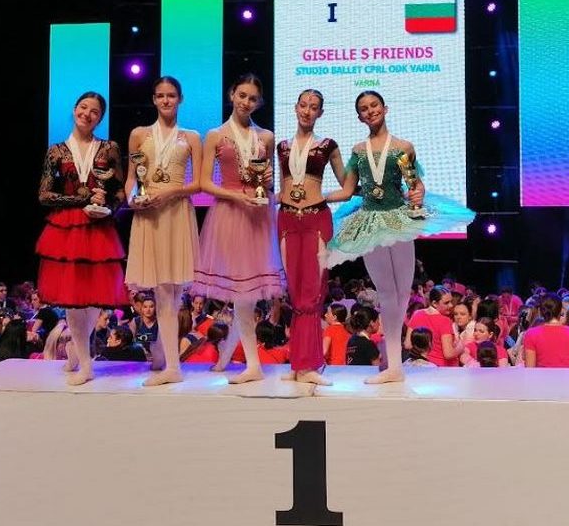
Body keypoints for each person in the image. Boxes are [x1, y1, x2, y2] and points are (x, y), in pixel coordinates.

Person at [325, 91, 473, 383]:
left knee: (403, 292)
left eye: (374, 105)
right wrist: (315, 198)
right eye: (364, 108)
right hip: (370, 222)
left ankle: (394, 363)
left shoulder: (404, 147)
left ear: (385, 108)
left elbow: (414, 184)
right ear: (359, 117)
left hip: (398, 220)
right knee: (386, 294)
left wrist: (418, 193)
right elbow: (348, 190)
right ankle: (393, 364)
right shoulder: (358, 151)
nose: (370, 111)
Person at [191, 74, 286, 384]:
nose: (246, 102)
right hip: (229, 215)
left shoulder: (266, 137)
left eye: (252, 98)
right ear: (232, 94)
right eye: (242, 95)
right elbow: (204, 182)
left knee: (246, 297)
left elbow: (268, 182)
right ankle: (249, 363)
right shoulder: (215, 135)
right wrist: (235, 196)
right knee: (240, 295)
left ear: (259, 102)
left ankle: (239, 362)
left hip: (257, 216)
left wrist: (267, 183)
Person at [35, 92, 127, 385]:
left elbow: (120, 191)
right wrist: (81, 199)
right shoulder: (56, 151)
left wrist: (108, 205)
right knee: (73, 300)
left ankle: (77, 351)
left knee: (96, 297)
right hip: (67, 229)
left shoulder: (109, 148)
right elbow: (44, 195)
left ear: (101, 118)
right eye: (84, 108)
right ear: (75, 109)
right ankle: (86, 365)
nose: (87, 114)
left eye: (95, 111)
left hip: (99, 227)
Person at [123, 76, 202, 386]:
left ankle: (171, 364)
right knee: (160, 291)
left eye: (171, 95)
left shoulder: (192, 137)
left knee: (173, 291)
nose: (166, 100)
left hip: (177, 212)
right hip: (149, 214)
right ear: (154, 99)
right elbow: (132, 178)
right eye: (160, 95)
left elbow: (199, 183)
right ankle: (167, 360)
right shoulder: (139, 134)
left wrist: (170, 193)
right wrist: (133, 199)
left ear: (180, 99)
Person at [277, 89, 346, 385]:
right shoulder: (282, 147)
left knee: (312, 291)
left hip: (316, 218)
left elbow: (347, 187)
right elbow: (282, 188)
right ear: (295, 108)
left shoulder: (328, 145)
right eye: (303, 105)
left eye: (313, 107)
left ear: (321, 112)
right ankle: (299, 364)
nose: (307, 111)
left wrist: (323, 197)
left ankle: (309, 365)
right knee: (295, 291)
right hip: (286, 218)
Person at [523, 294, 569, 368]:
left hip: (543, 376)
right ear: (561, 311)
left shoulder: (531, 334)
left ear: (540, 311)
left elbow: (530, 369)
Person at [407, 286, 462, 367]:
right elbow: (448, 354)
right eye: (446, 303)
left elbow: (408, 344)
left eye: (451, 301)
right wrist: (461, 346)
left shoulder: (417, 314)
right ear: (434, 303)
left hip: (421, 366)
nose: (451, 305)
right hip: (441, 369)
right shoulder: (445, 321)